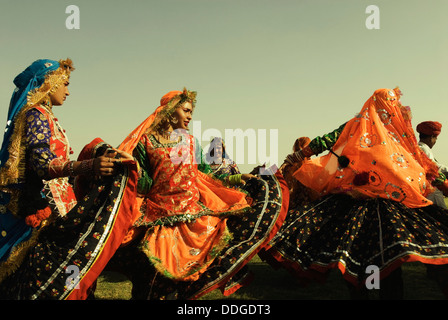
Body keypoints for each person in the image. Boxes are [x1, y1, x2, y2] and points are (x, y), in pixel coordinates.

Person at [261, 88, 448, 299]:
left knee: (374, 257)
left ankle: (373, 291)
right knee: (377, 257)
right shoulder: (366, 126)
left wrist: (299, 154)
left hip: (379, 205)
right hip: (363, 202)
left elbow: (423, 164)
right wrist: (299, 155)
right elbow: (327, 140)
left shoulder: (394, 133)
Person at [106, 88, 289, 300]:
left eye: (191, 111)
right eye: (186, 110)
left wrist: (240, 178)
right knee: (154, 280)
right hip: (159, 219)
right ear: (171, 111)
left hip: (195, 216)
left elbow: (206, 175)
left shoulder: (191, 142)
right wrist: (134, 165)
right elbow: (145, 185)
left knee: (186, 280)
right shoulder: (147, 142)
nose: (190, 116)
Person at [0, 59, 138, 299]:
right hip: (42, 213)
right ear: (50, 84)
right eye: (65, 83)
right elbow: (43, 166)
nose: (68, 90)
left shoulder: (48, 117)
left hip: (61, 208)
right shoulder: (36, 114)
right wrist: (89, 165)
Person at [279, 137, 319, 207]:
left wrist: (260, 170)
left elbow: (274, 171)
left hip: (289, 203)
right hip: (306, 205)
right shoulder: (310, 166)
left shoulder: (288, 163)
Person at [416, 121, 448, 208]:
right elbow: (433, 167)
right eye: (435, 139)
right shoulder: (424, 149)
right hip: (430, 191)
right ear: (432, 137)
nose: (435, 142)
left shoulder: (418, 147)